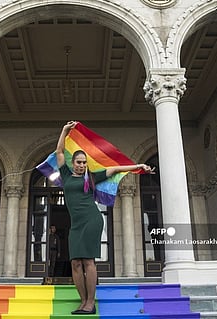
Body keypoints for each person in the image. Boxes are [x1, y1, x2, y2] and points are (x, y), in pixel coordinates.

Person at [56, 121, 153, 315]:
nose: (82, 165)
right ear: (73, 163)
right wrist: (65, 131)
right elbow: (59, 152)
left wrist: (139, 166)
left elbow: (116, 169)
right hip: (75, 225)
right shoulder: (65, 175)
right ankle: (83, 302)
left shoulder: (92, 177)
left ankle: (91, 303)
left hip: (92, 220)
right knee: (75, 262)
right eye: (79, 162)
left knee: (88, 261)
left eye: (84, 163)